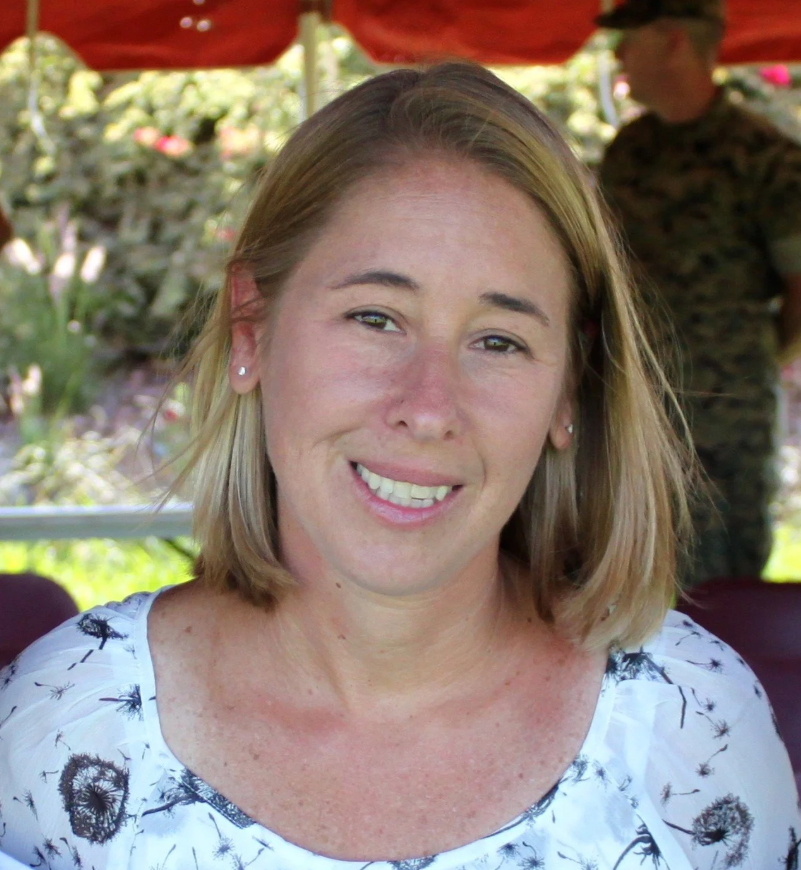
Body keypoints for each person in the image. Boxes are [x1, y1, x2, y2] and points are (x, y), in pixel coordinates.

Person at [0, 62, 798, 869]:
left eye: (498, 340)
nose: (427, 407)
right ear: (251, 330)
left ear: (569, 387)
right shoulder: (66, 724)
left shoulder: (691, 731)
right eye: (375, 318)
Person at [597, 0, 801, 583]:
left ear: (674, 42)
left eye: (629, 38)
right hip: (632, 412)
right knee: (627, 582)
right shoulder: (630, 152)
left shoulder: (764, 157)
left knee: (728, 600)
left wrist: (747, 363)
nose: (618, 55)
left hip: (726, 425)